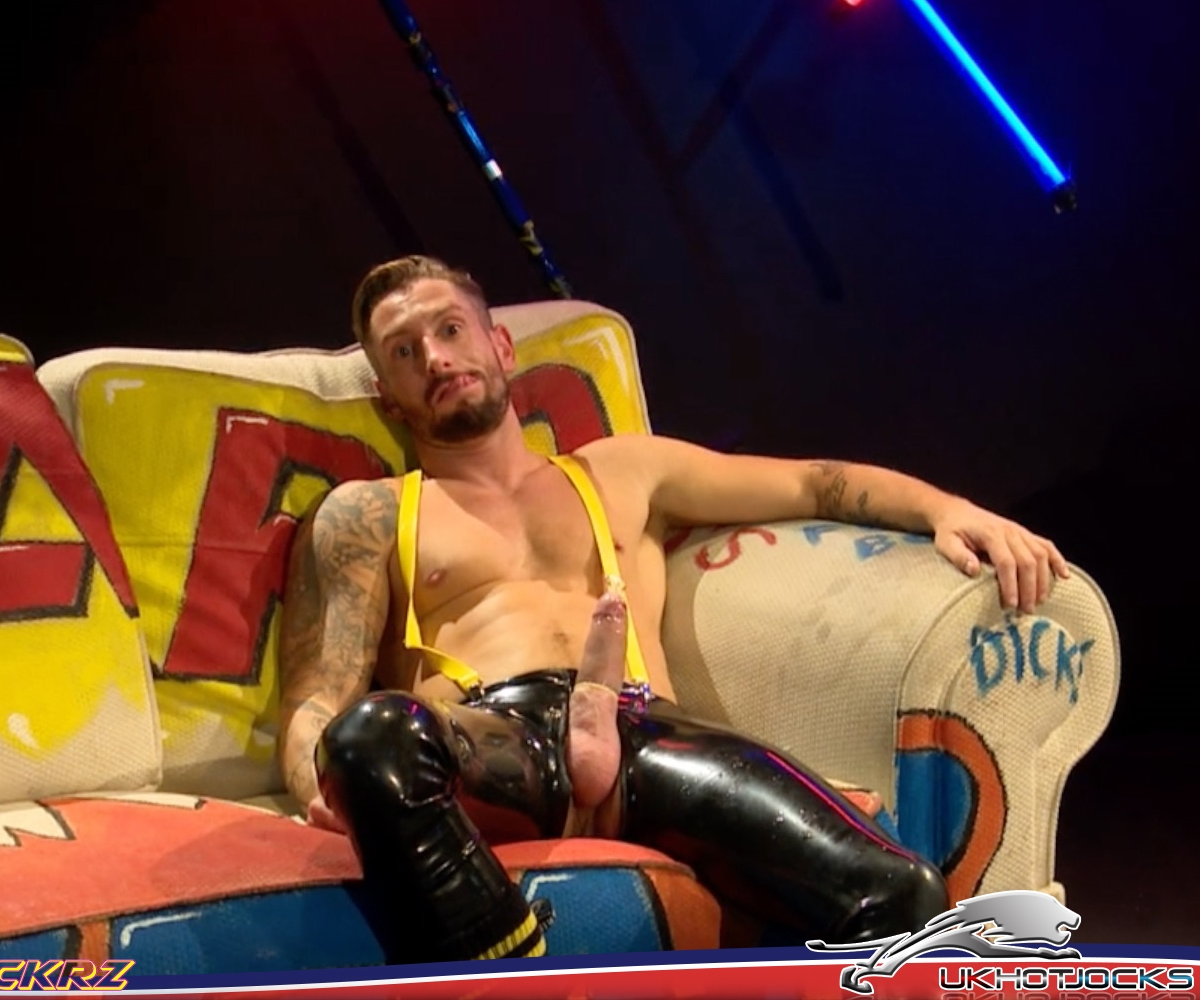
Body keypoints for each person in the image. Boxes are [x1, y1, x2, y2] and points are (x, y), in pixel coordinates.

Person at [278, 255, 1070, 964]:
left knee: (901, 894)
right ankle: (515, 977)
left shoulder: (625, 470)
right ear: (387, 397)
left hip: (643, 731)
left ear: (502, 347)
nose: (435, 357)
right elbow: (318, 700)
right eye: (405, 352)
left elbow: (812, 484)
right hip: (497, 739)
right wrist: (337, 786)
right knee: (370, 738)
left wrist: (946, 510)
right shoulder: (368, 513)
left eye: (450, 329)